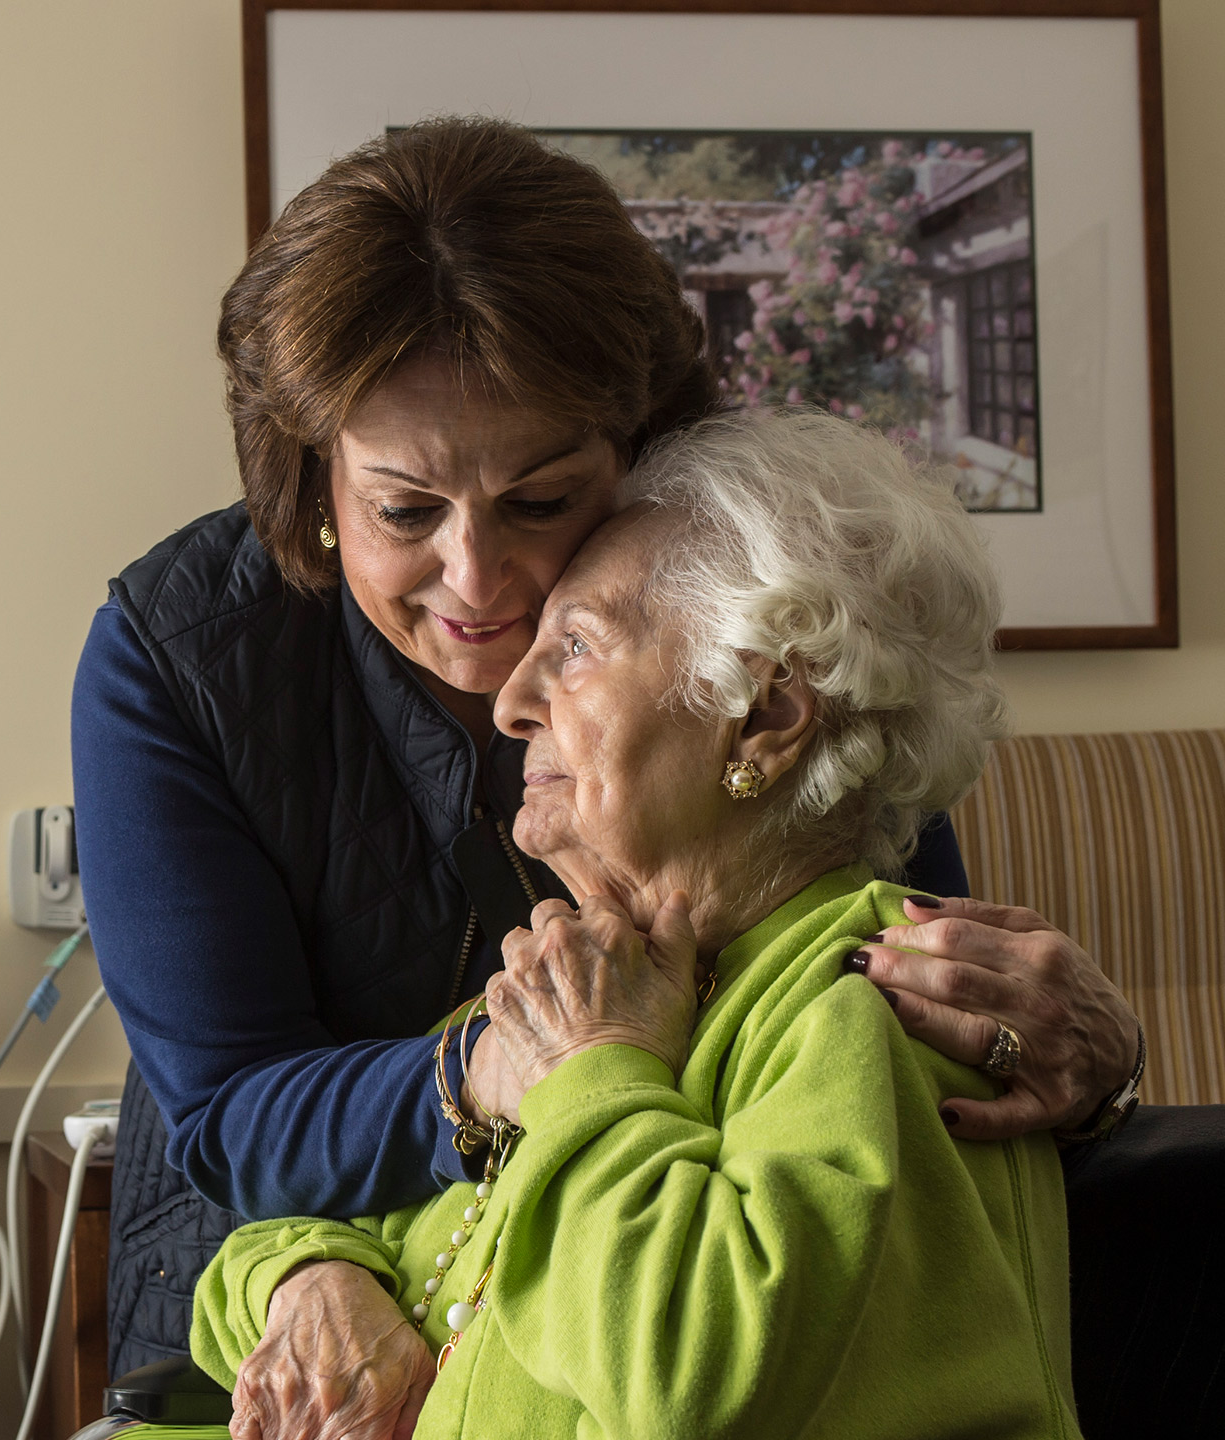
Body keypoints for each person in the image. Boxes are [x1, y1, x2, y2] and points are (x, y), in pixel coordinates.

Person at [71, 116, 1145, 1381]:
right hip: (268, 1267)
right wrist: (506, 1071)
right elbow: (233, 1107)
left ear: (637, 446)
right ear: (310, 482)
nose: (479, 581)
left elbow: (871, 939)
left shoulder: (755, 614)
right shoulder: (179, 656)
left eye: (540, 499)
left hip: (631, 1289)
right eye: (404, 510)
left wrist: (1073, 1058)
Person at [180, 407, 1075, 1440]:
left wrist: (594, 1070)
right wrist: (318, 1278)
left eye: (575, 647)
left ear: (768, 714)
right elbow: (259, 1246)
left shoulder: (876, 1012)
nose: (511, 699)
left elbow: (692, 1376)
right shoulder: (584, 985)